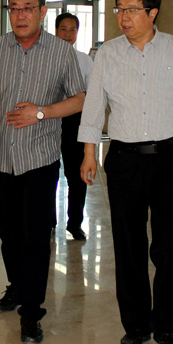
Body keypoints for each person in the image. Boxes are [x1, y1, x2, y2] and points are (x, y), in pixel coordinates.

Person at [78, 0, 173, 344]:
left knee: (169, 247)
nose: (124, 17)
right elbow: (94, 105)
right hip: (124, 160)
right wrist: (89, 153)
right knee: (128, 245)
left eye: (132, 9)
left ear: (152, 12)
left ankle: (167, 327)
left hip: (170, 158)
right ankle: (135, 326)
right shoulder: (108, 53)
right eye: (120, 9)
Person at [0, 0, 85, 344]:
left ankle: (32, 312)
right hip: (1, 158)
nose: (20, 15)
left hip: (40, 159)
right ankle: (17, 286)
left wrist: (42, 112)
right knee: (8, 232)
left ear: (42, 12)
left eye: (27, 7)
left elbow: (81, 98)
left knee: (35, 237)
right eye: (14, 8)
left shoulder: (61, 53)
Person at [55, 13, 94, 240]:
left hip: (75, 121)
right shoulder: (46, 58)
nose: (68, 34)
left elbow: (91, 94)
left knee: (77, 175)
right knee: (48, 173)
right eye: (63, 29)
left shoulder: (84, 60)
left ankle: (75, 223)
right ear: (55, 31)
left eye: (72, 29)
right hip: (49, 119)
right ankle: (48, 221)